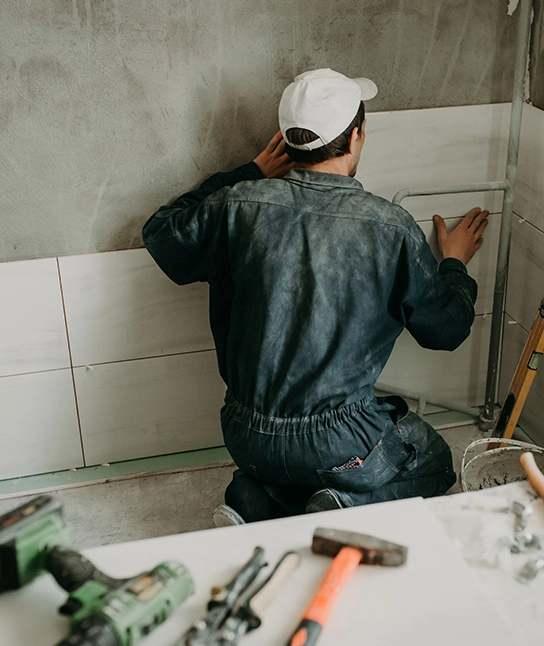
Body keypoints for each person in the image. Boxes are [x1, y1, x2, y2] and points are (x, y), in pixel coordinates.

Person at [142, 68, 489, 524]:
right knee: (433, 460)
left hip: (245, 435)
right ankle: (344, 504)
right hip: (339, 444)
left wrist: (249, 172)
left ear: (287, 141)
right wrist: (453, 265)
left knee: (295, 462)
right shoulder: (389, 227)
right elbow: (447, 330)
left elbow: (161, 233)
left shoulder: (238, 205)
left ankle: (256, 497)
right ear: (358, 135)